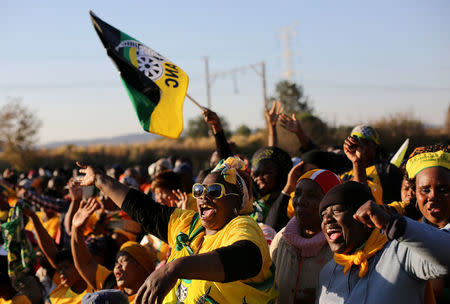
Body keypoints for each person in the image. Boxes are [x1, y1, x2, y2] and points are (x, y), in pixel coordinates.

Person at [76, 156, 278, 303]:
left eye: (215, 191)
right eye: (199, 190)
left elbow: (246, 258)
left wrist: (174, 268)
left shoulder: (242, 225)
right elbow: (144, 209)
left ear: (238, 202)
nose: (203, 197)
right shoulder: (189, 224)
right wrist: (99, 180)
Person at [316, 181, 450, 304]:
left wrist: (394, 225)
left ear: (363, 216)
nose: (327, 219)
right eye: (323, 215)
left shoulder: (401, 252)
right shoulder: (327, 273)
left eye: (337, 210)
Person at [270, 168, 341, 304]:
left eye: (312, 196)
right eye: (297, 194)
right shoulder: (282, 238)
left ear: (330, 204)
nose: (300, 201)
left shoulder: (340, 245)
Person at [70, 199, 155, 304]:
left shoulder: (155, 296)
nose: (117, 267)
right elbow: (85, 264)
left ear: (142, 265)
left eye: (123, 261)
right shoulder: (110, 283)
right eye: (116, 263)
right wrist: (76, 229)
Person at [405, 144, 450, 303]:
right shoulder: (405, 237)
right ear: (414, 193)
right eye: (425, 189)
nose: (433, 197)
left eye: (443, 189)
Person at [251, 146, 293, 230]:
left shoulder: (291, 201)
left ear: (280, 174)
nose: (259, 178)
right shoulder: (255, 199)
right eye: (256, 174)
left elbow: (272, 227)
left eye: (265, 173)